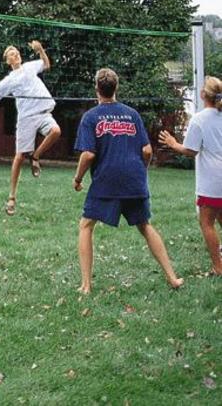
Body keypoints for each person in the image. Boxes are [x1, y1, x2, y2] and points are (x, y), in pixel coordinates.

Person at [73, 68, 183, 293]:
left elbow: (88, 154)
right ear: (116, 88)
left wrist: (77, 178)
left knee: (86, 225)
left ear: (97, 89)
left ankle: (85, 285)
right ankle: (173, 278)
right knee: (145, 225)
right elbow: (146, 150)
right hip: (134, 178)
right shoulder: (132, 114)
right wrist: (141, 171)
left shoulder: (91, 117)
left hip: (107, 180)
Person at [0, 40, 61, 215]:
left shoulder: (31, 66)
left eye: (16, 52)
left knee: (56, 131)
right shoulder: (10, 80)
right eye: (11, 54)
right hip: (26, 118)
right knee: (18, 157)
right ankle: (11, 197)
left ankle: (36, 156)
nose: (15, 55)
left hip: (43, 111)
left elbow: (46, 64)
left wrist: (40, 50)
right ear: (8, 62)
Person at [159, 76, 222, 276]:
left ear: (204, 94)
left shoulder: (200, 119)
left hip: (212, 180)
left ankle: (218, 267)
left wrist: (171, 143)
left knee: (206, 223)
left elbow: (190, 150)